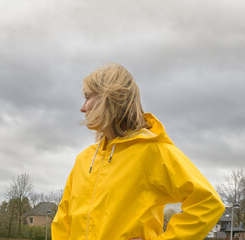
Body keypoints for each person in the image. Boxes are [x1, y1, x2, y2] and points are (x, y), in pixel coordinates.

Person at [51, 63, 225, 240]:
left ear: (109, 98)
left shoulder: (152, 151)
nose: (83, 107)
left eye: (88, 97)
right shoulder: (84, 159)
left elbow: (208, 203)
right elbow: (62, 223)